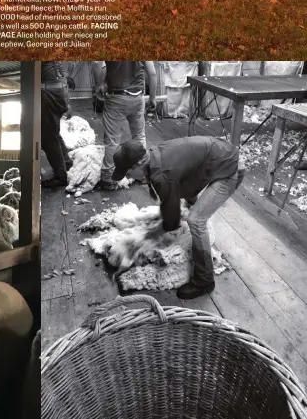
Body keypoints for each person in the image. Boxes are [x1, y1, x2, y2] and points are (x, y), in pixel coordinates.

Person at [112, 136, 244, 299]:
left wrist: (157, 234)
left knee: (196, 220)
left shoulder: (162, 174)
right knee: (183, 197)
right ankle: (197, 227)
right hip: (223, 153)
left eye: (129, 172)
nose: (129, 178)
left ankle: (204, 281)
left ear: (139, 163)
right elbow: (180, 180)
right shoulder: (153, 155)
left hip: (230, 169)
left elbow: (171, 216)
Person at [91, 61, 157, 190]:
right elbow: (153, 73)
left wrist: (99, 84)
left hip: (117, 96)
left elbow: (97, 62)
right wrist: (152, 98)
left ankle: (108, 178)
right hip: (137, 97)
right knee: (139, 137)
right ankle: (143, 173)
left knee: (112, 140)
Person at [41, 61, 72, 189]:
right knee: (53, 132)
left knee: (47, 138)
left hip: (50, 92)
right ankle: (66, 163)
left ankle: (60, 176)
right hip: (60, 88)